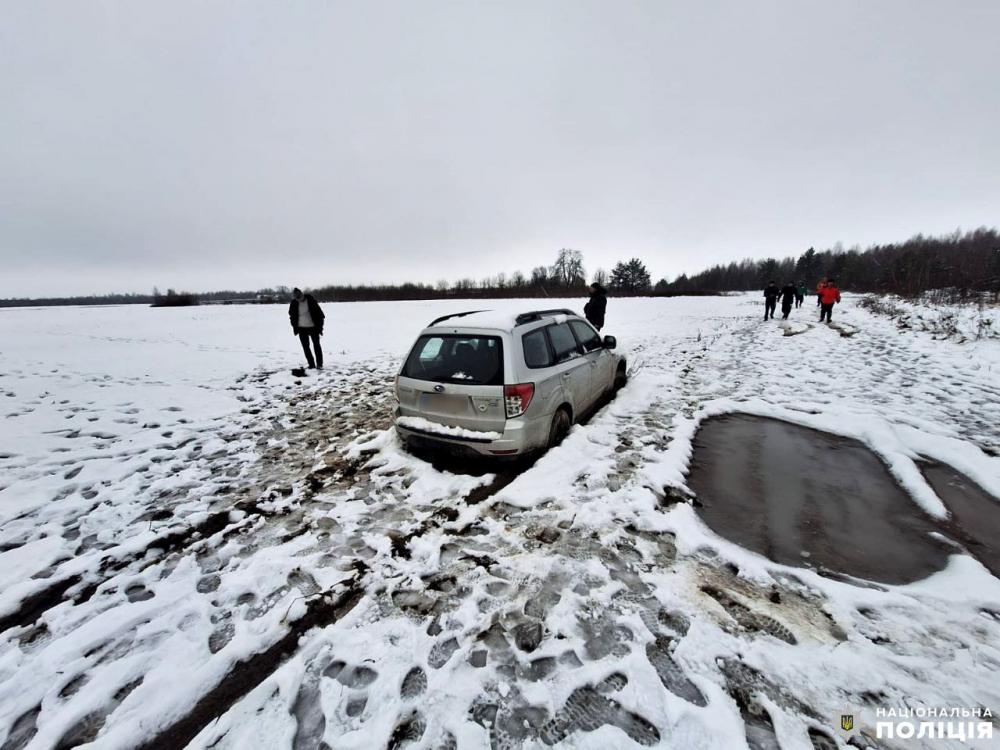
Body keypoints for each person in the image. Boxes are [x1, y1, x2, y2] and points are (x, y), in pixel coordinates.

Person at [288, 288, 325, 368]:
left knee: (316, 345)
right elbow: (291, 315)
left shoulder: (310, 300)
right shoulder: (294, 303)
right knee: (306, 347)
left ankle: (319, 364)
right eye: (296, 298)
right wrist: (293, 324)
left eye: (299, 297)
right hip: (301, 329)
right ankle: (311, 364)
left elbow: (320, 314)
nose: (299, 299)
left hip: (313, 327)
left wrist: (320, 326)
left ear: (302, 294)